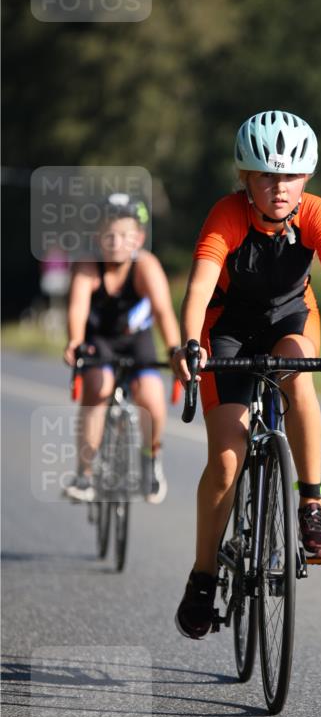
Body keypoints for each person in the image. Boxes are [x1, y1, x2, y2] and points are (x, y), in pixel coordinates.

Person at [171, 110, 321, 639]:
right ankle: (202, 576)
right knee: (224, 462)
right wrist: (189, 345)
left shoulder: (317, 214)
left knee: (296, 374)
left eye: (289, 176)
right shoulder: (227, 215)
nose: (279, 186)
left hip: (290, 319)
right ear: (246, 178)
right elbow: (198, 288)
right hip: (227, 331)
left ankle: (311, 503)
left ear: (305, 177)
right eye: (266, 175)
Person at [63, 193, 181, 504]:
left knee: (152, 398)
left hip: (135, 341)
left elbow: (163, 311)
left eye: (126, 235)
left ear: (139, 238)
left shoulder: (146, 265)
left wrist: (173, 349)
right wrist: (75, 341)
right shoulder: (88, 265)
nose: (117, 242)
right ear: (97, 237)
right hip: (98, 339)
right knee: (98, 388)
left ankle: (151, 459)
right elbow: (76, 308)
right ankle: (85, 474)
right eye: (109, 235)